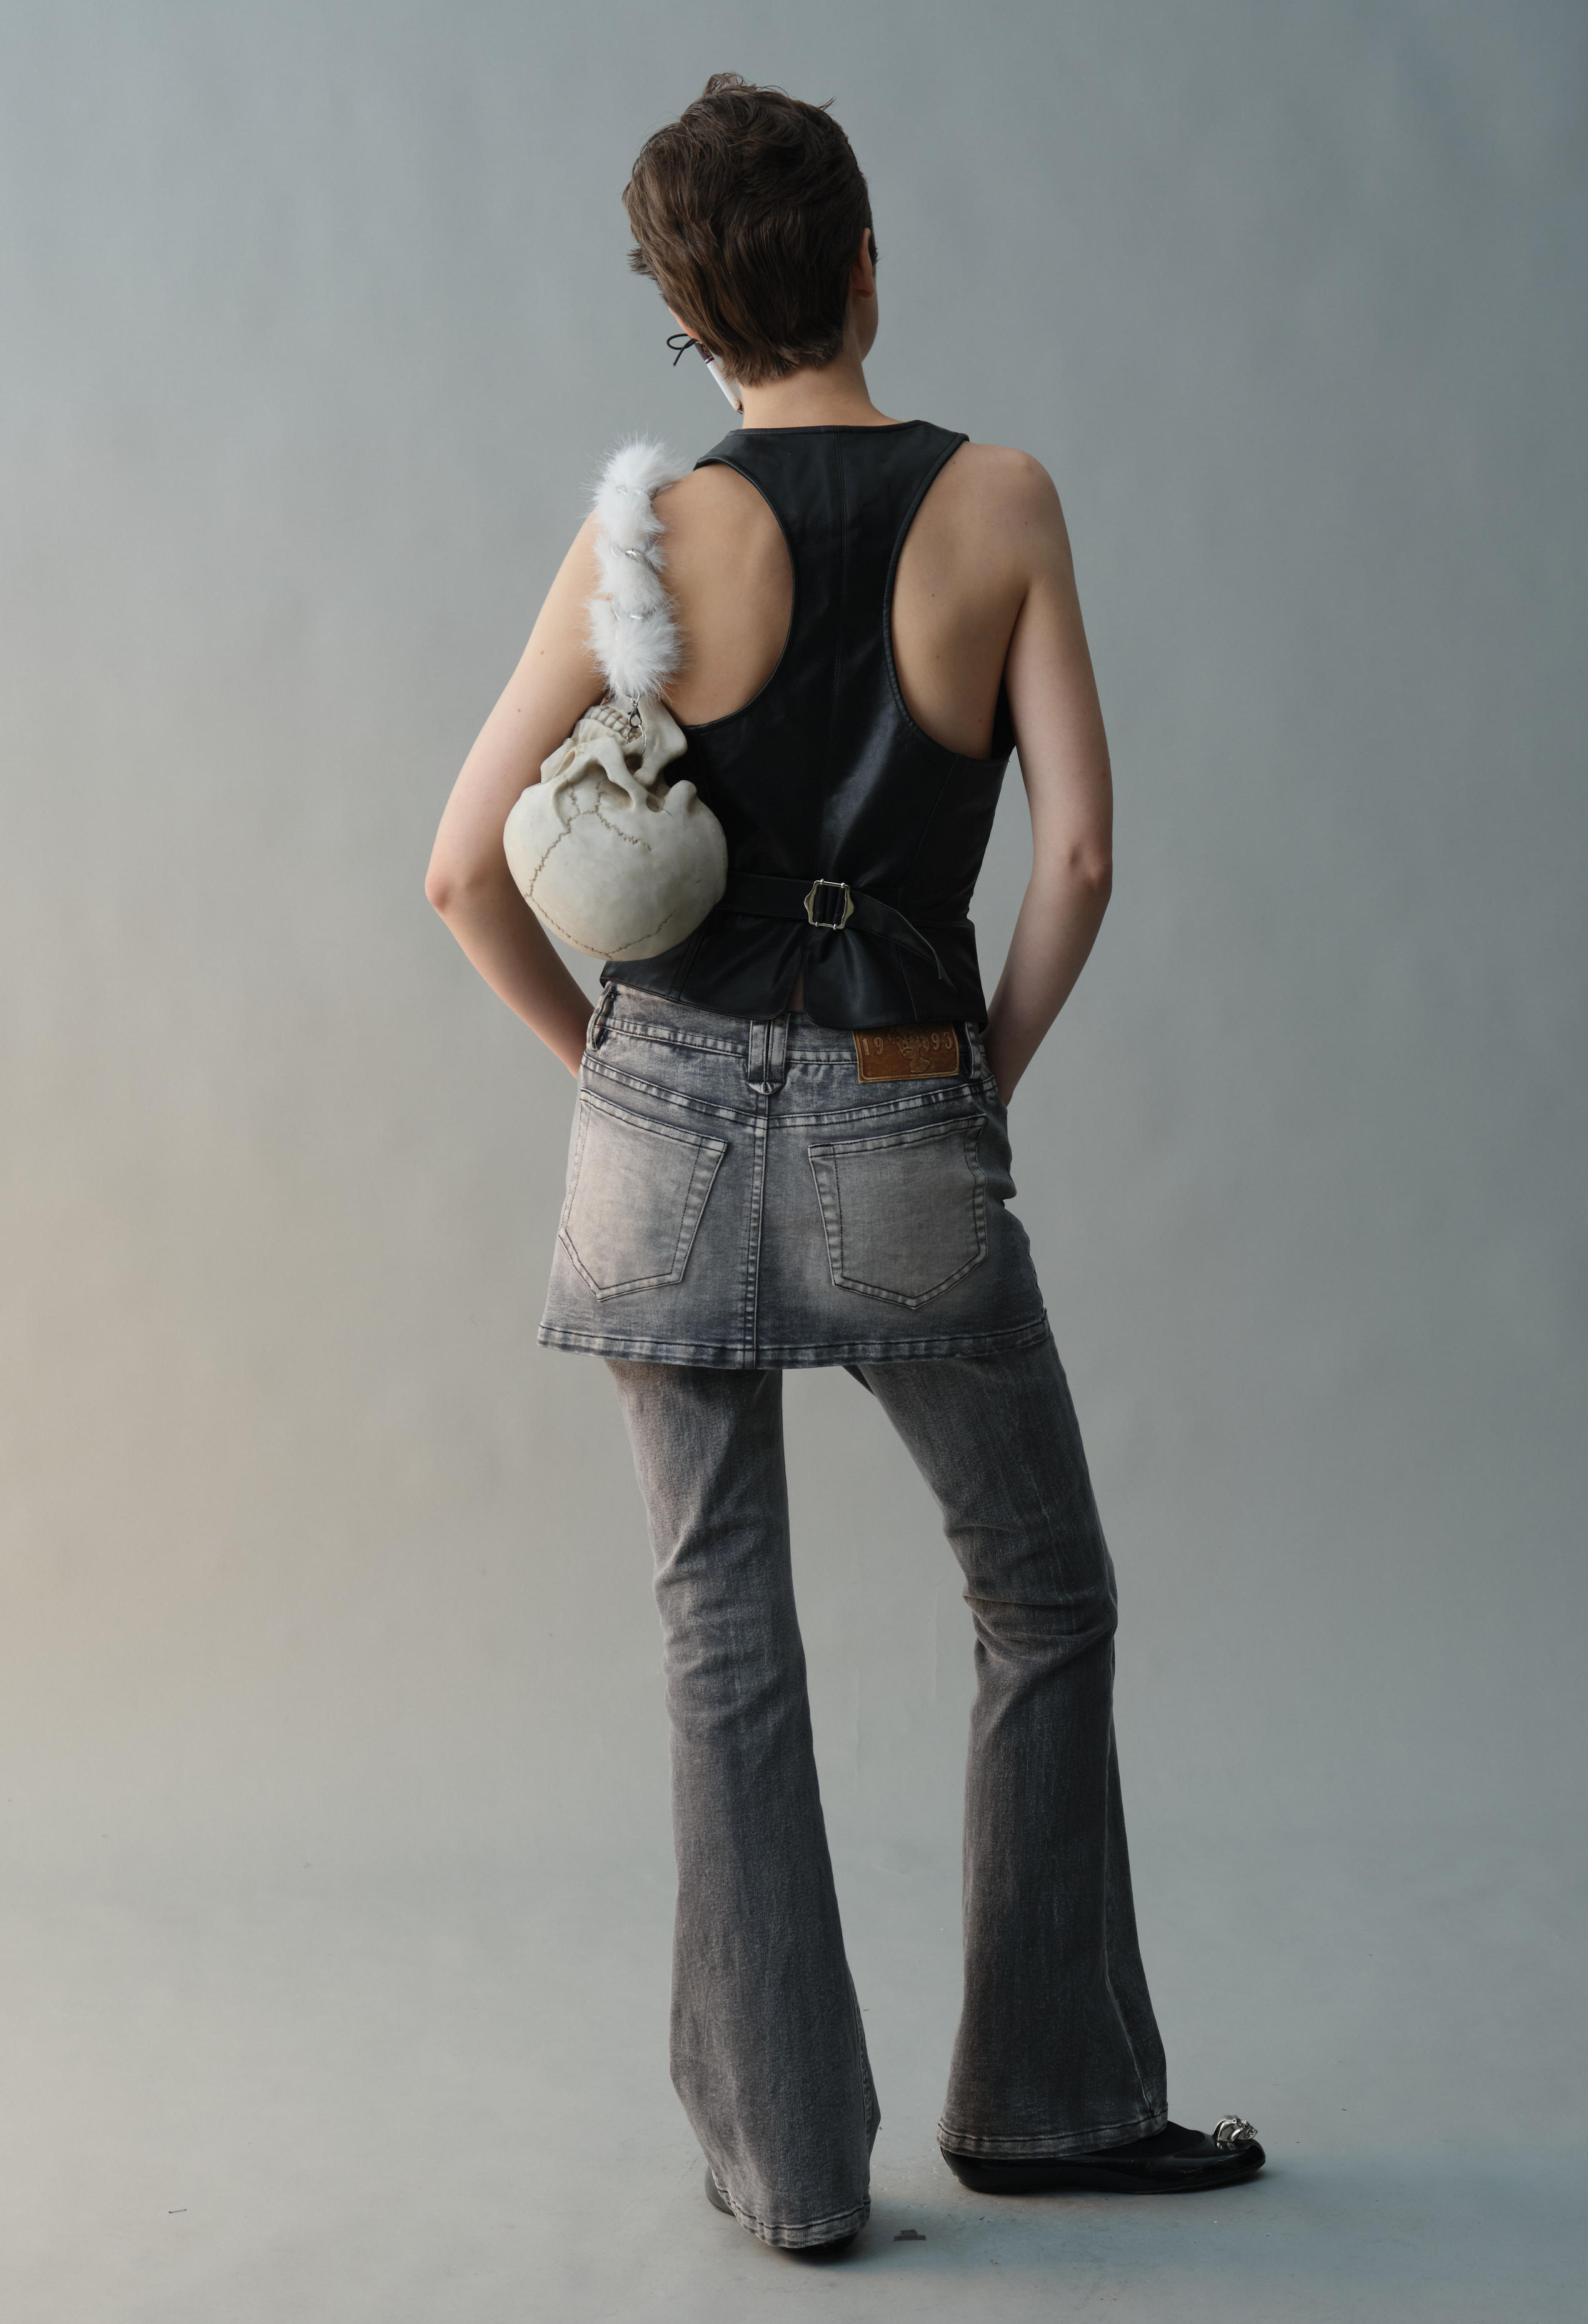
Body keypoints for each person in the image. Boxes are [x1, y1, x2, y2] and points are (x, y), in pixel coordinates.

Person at [425, 72, 1262, 2256]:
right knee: (1040, 1596)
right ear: (869, 264)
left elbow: (459, 873)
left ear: (686, 319)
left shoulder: (642, 542)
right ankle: (1050, 2105)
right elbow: (1076, 858)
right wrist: (973, 1076)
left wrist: (611, 1076)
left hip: (659, 1131)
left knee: (719, 1625)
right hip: (904, 1104)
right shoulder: (1000, 499)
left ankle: (792, 2177)